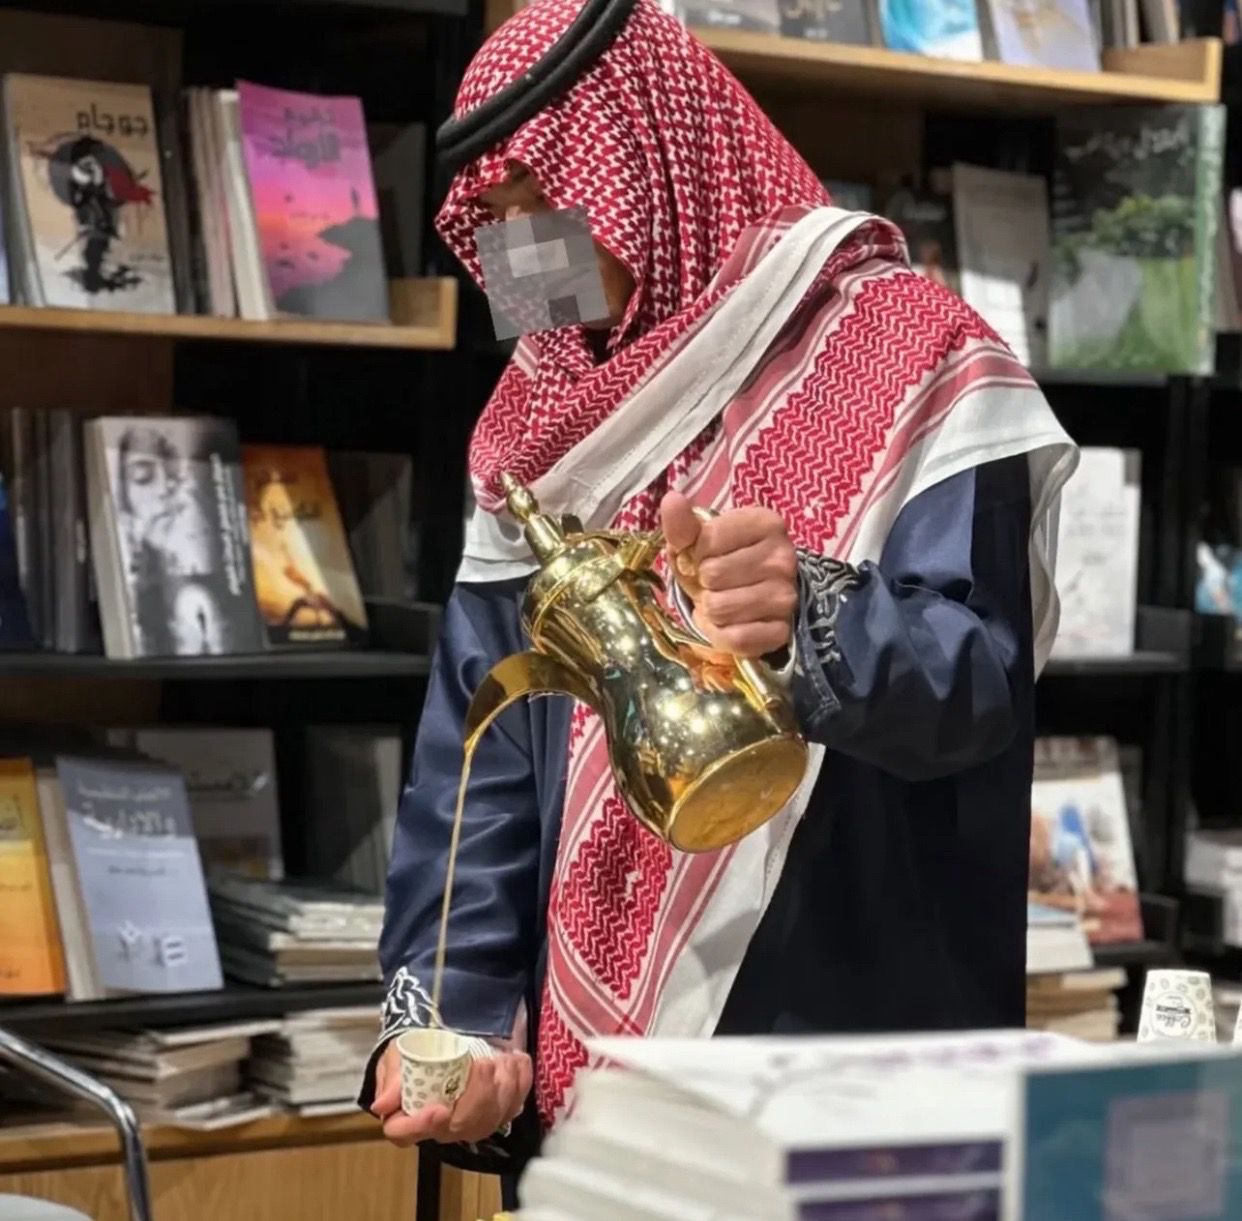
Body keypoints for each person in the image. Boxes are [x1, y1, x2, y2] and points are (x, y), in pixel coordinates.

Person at [359, 0, 1077, 1194]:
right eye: (493, 220)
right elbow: (478, 756)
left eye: (545, 201)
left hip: (849, 1047)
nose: (521, 255)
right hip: (602, 1108)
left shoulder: (912, 355)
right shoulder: (535, 424)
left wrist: (810, 616)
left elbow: (977, 683)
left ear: (652, 165)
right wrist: (463, 1016)